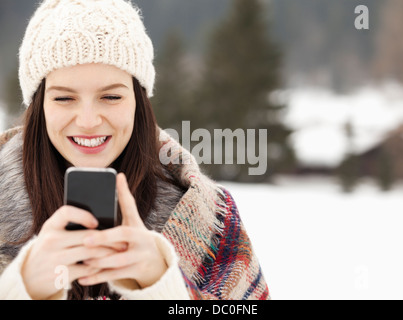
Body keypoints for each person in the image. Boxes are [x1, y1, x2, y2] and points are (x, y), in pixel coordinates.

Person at [0, 0, 270, 300]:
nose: (88, 121)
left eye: (111, 96)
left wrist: (162, 284)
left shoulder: (208, 218)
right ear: (39, 106)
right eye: (64, 98)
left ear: (138, 102)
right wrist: (21, 289)